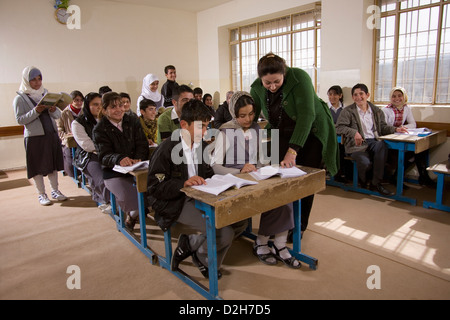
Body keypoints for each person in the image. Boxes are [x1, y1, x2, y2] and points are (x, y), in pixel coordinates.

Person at [147, 99, 247, 279]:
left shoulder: (200, 146)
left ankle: (192, 244)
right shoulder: (167, 148)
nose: (206, 132)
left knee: (240, 220)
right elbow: (155, 186)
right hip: (174, 201)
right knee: (224, 233)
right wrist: (183, 183)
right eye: (201, 127)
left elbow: (207, 173)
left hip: (201, 196)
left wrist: (222, 181)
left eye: (207, 126)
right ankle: (202, 257)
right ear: (184, 125)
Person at [250, 53, 338, 235]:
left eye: (277, 81)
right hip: (281, 130)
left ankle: (298, 227)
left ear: (284, 73)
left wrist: (292, 151)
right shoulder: (256, 88)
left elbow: (307, 115)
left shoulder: (299, 77)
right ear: (260, 79)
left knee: (304, 180)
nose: (272, 86)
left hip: (311, 130)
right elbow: (250, 116)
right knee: (276, 177)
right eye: (268, 83)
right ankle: (278, 223)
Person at [212, 91, 301, 269]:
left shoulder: (256, 128)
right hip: (233, 180)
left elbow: (260, 159)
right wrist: (240, 170)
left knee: (284, 193)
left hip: (253, 175)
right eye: (242, 115)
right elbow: (215, 166)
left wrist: (267, 168)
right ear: (233, 113)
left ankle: (279, 244)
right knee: (268, 197)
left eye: (251, 114)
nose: (248, 119)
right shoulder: (225, 131)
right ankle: (261, 243)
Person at [336, 83, 408, 196]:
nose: (358, 97)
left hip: (373, 141)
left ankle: (376, 183)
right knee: (366, 163)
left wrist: (396, 129)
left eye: (361, 94)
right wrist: (354, 132)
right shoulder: (348, 111)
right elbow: (339, 127)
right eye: (355, 95)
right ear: (352, 97)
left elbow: (383, 127)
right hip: (357, 145)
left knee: (382, 145)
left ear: (367, 95)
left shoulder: (377, 111)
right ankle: (364, 181)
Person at [93, 92, 149, 230]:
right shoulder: (99, 129)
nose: (119, 109)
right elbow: (104, 155)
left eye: (120, 105)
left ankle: (134, 213)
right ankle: (131, 216)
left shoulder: (132, 120)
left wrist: (138, 157)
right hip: (114, 172)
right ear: (105, 110)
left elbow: (142, 143)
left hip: (137, 168)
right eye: (113, 107)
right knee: (135, 200)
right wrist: (119, 159)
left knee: (152, 194)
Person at [13, 66, 67, 206]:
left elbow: (57, 116)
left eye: (39, 79)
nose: (37, 83)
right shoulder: (20, 98)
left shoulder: (45, 94)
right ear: (26, 81)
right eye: (33, 80)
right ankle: (41, 194)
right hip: (34, 137)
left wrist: (53, 109)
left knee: (53, 165)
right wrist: (36, 111)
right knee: (37, 166)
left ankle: (55, 190)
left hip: (50, 134)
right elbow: (20, 120)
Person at [383, 87, 435, 186]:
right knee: (412, 154)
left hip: (400, 137)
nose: (397, 98)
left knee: (420, 151)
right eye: (393, 96)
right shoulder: (385, 110)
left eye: (399, 95)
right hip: (388, 141)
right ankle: (399, 178)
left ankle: (422, 177)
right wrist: (396, 129)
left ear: (404, 97)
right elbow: (384, 127)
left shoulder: (406, 108)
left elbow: (413, 124)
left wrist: (402, 127)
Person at [71, 92, 111, 213]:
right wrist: (106, 148)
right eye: (95, 104)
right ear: (87, 106)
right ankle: (107, 201)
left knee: (119, 176)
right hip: (88, 156)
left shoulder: (107, 119)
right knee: (101, 178)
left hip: (107, 153)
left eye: (100, 104)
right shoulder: (78, 123)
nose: (99, 107)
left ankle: (119, 201)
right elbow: (86, 145)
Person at [56, 90, 84, 178]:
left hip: (83, 140)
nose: (79, 103)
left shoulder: (85, 112)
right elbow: (59, 130)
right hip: (69, 142)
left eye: (81, 100)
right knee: (71, 165)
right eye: (76, 100)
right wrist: (67, 135)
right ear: (71, 101)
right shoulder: (63, 113)